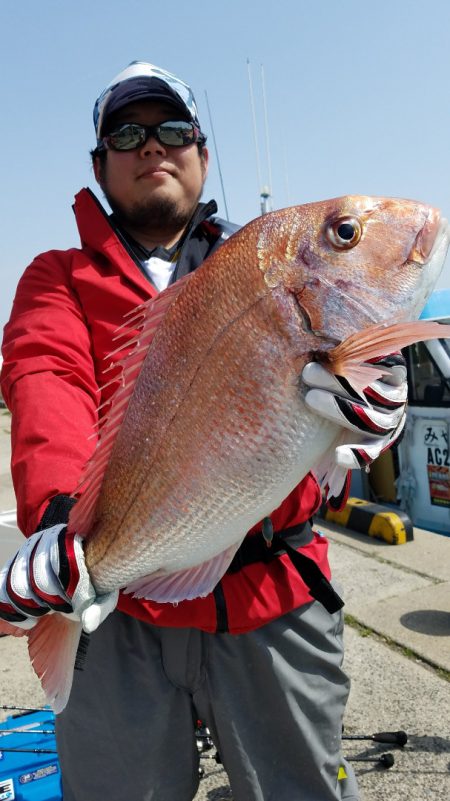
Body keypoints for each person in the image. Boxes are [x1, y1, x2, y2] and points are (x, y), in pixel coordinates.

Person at [0, 61, 407, 801]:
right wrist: (63, 524)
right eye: (127, 133)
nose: (152, 145)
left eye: (173, 129)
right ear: (99, 164)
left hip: (272, 592)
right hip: (114, 615)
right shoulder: (55, 277)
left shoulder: (259, 262)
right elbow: (45, 378)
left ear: (204, 152)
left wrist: (361, 434)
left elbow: (319, 445)